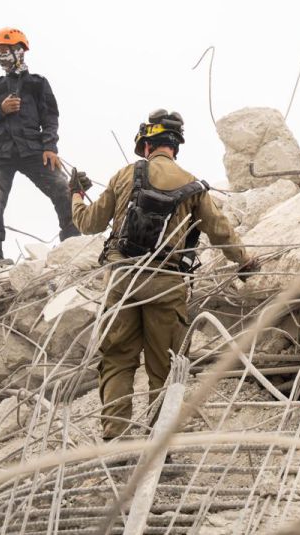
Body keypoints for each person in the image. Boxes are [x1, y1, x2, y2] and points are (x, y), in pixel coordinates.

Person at [69, 109, 259, 440]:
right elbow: (220, 232)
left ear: (145, 146)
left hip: (122, 279)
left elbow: (89, 224)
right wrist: (244, 261)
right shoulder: (193, 184)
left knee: (117, 360)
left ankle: (116, 437)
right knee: (166, 367)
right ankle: (160, 442)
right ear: (174, 148)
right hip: (167, 283)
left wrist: (74, 194)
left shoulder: (123, 175)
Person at [0, 28, 79, 267]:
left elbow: (50, 117)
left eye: (5, 50)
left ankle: (72, 242)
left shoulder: (37, 84)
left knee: (63, 188)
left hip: (34, 151)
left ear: (19, 51)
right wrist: (0, 109)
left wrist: (50, 147)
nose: (1, 56)